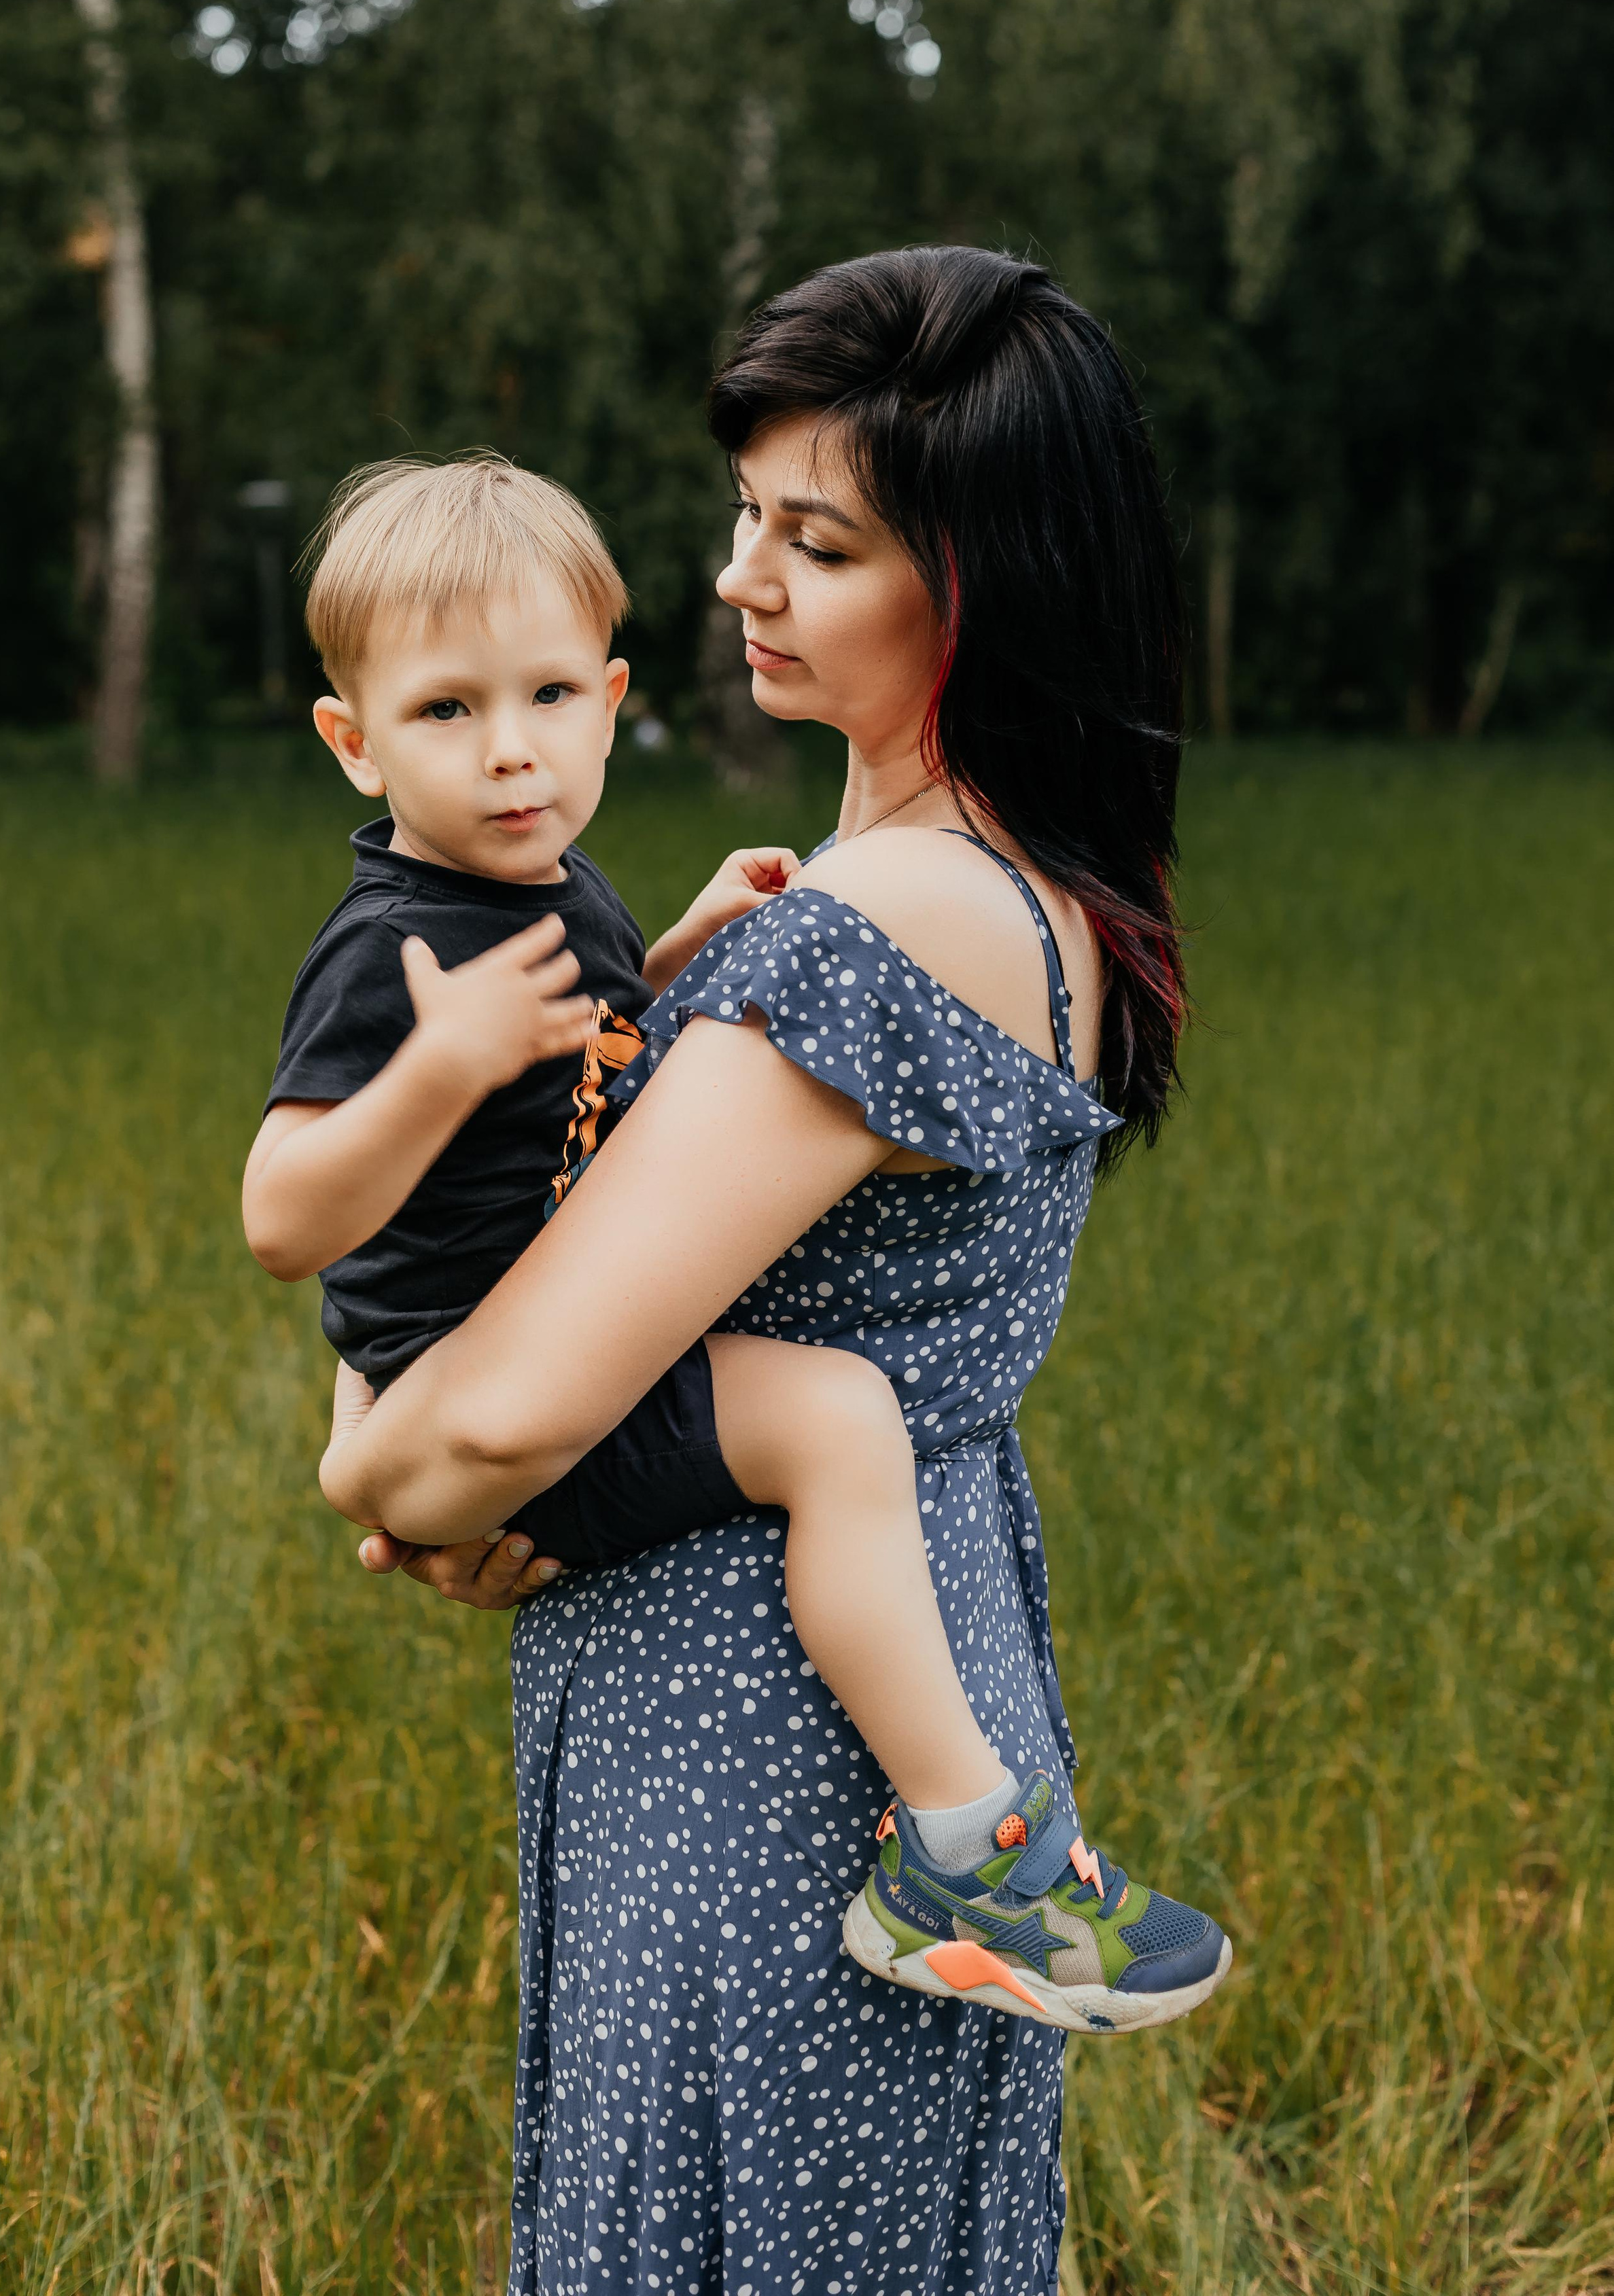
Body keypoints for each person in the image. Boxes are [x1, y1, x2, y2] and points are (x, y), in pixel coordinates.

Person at [319, 247, 1221, 2293]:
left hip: (762, 1756)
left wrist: (395, 1473)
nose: (741, 577)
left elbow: (503, 1416)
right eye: (746, 514)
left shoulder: (876, 930)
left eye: (816, 542)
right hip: (885, 1683)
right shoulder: (1012, 886)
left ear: (981, 579)